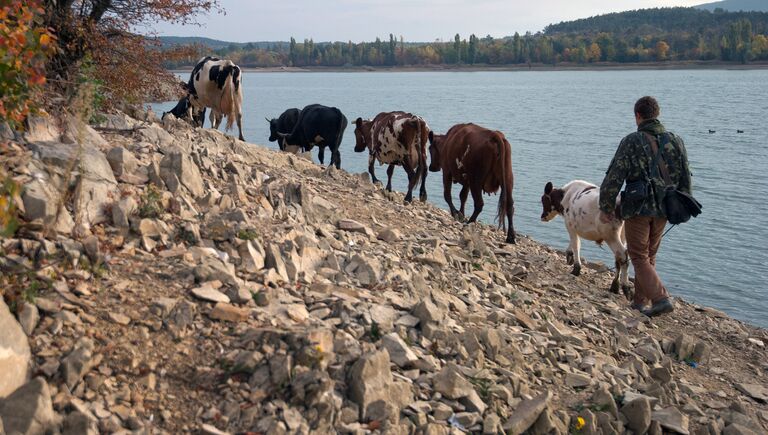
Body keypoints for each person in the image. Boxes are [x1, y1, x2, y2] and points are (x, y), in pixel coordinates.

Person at [599, 96, 692, 318]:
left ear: (638, 116)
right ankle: (639, 302)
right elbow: (685, 176)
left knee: (638, 255)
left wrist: (606, 206)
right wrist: (684, 204)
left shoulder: (632, 141)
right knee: (649, 255)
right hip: (664, 208)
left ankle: (660, 298)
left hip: (638, 207)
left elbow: (614, 175)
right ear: (656, 114)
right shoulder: (676, 140)